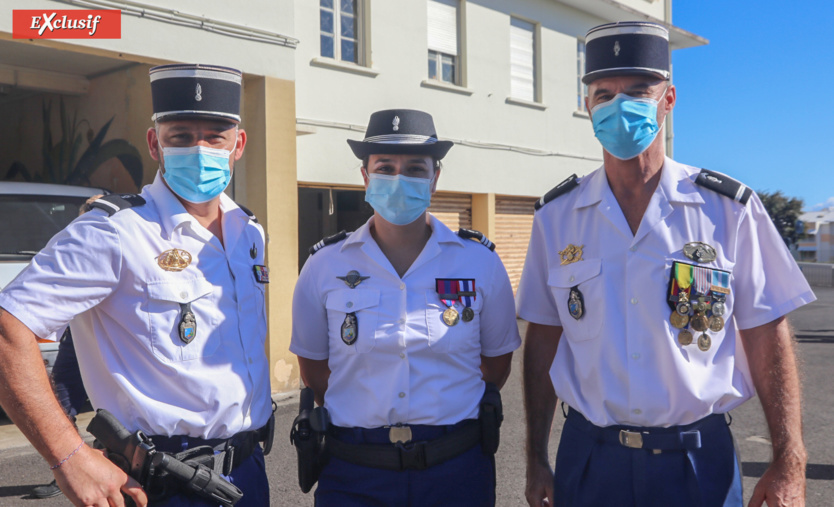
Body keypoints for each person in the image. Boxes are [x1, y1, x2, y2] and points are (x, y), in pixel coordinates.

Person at [518, 22, 814, 507]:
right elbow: (544, 337)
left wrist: (790, 461)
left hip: (697, 462)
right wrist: (534, 457)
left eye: (638, 91)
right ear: (587, 105)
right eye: (604, 93)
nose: (620, 106)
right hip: (591, 460)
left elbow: (767, 334)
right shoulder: (557, 217)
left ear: (669, 99)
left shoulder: (728, 209)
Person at [0, 63, 273, 507]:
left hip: (247, 472)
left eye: (214, 137)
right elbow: (8, 328)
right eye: (181, 136)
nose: (199, 149)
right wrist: (69, 458)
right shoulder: (115, 230)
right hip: (161, 485)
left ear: (237, 144)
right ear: (155, 143)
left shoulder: (250, 232)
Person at [290, 109, 521, 506]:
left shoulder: (479, 262)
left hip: (456, 469)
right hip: (354, 471)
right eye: (385, 167)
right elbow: (315, 373)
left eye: (415, 168)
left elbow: (496, 366)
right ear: (365, 177)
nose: (400, 179)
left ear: (435, 178)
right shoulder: (324, 266)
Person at [31, 196, 100, 500]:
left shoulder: (126, 246)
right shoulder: (74, 249)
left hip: (109, 343)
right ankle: (65, 470)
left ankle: (107, 466)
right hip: (75, 338)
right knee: (63, 402)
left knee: (114, 412)